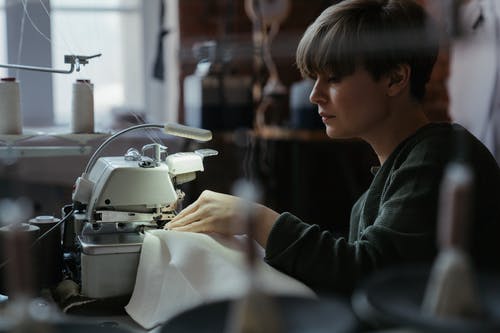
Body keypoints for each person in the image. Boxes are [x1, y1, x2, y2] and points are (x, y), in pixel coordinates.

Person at [166, 0, 500, 295]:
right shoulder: (384, 185)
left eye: (334, 78)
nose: (314, 95)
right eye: (315, 78)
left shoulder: (436, 157)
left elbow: (369, 273)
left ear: (396, 78)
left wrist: (256, 219)